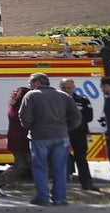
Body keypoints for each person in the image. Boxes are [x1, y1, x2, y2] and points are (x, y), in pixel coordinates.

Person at [18, 72, 81, 206]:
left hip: (39, 136)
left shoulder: (31, 95)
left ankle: (43, 197)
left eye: (30, 83)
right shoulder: (64, 96)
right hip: (61, 136)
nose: (29, 86)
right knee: (60, 168)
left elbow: (24, 117)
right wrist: (65, 128)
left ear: (37, 83)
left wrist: (31, 128)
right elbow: (76, 118)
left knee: (40, 167)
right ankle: (59, 198)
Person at [0, 86, 31, 197]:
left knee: (22, 164)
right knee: (28, 164)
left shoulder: (14, 106)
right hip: (22, 139)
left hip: (15, 139)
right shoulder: (22, 107)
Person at [60, 78, 100, 191]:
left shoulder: (82, 99)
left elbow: (89, 116)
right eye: (64, 88)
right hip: (62, 133)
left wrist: (75, 123)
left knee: (81, 159)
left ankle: (87, 184)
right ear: (60, 87)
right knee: (60, 159)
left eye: (69, 88)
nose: (67, 90)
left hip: (79, 133)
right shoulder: (56, 100)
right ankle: (60, 186)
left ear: (74, 87)